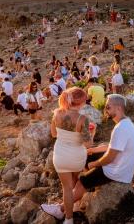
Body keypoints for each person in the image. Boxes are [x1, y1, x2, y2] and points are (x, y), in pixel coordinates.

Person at [70, 95, 134, 217]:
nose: (105, 110)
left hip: (116, 172)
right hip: (122, 166)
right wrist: (94, 149)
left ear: (118, 108)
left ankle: (62, 208)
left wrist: (94, 164)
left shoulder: (120, 129)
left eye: (108, 107)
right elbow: (113, 147)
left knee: (83, 180)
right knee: (88, 156)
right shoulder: (126, 123)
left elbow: (110, 157)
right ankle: (87, 187)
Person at [41, 87, 92, 223]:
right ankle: (75, 209)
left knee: (67, 189)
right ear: (81, 102)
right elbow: (88, 144)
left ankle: (68, 220)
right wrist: (92, 132)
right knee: (76, 183)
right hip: (77, 157)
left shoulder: (57, 113)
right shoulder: (83, 118)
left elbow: (53, 134)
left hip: (61, 156)